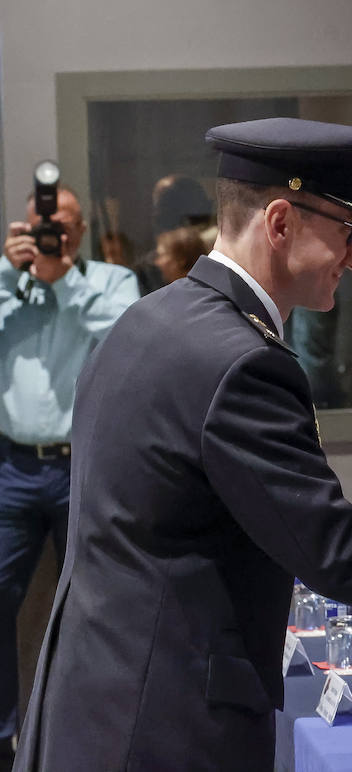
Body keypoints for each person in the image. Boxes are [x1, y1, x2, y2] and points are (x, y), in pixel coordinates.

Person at [14, 118, 352, 771]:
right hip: (166, 721)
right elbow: (334, 549)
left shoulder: (152, 318)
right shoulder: (241, 360)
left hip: (97, 696)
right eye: (349, 232)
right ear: (280, 222)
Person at [0, 186, 139, 764]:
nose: (53, 237)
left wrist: (63, 281)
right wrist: (14, 278)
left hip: (87, 464)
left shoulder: (112, 282)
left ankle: (95, 735)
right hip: (12, 466)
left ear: (80, 232)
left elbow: (126, 335)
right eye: (41, 227)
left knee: (99, 602)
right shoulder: (5, 281)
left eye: (63, 227)